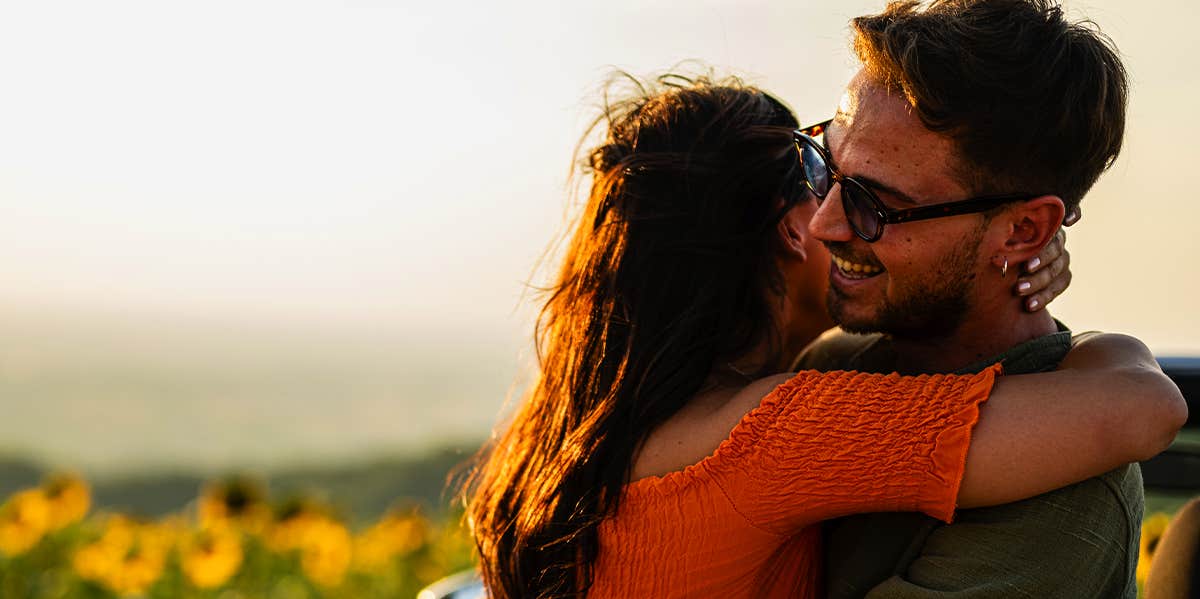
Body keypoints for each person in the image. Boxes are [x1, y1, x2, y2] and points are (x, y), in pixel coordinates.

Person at [463, 73, 1186, 599]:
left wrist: (1017, 247)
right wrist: (1107, 346)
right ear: (790, 227)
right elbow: (1146, 409)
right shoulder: (779, 432)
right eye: (824, 178)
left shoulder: (576, 432)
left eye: (867, 198)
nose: (840, 219)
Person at [790, 0, 1152, 596]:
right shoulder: (836, 357)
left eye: (875, 203)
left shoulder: (1068, 479)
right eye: (825, 165)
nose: (824, 224)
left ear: (1024, 231)